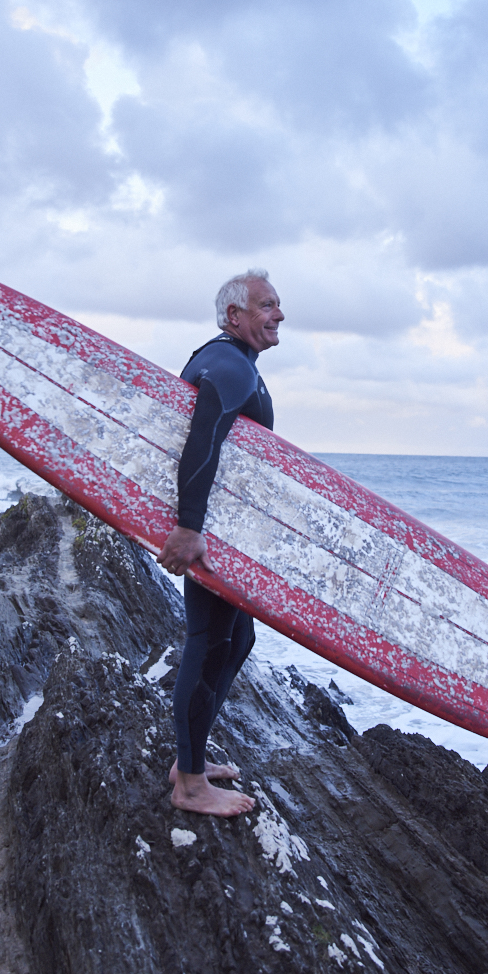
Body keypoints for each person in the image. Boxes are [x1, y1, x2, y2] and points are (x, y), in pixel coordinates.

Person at [157, 269, 284, 817]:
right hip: (207, 533)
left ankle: (192, 755)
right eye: (267, 305)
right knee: (210, 641)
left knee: (236, 642)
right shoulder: (230, 365)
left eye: (278, 305)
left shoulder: (225, 359)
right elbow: (202, 438)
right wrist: (189, 526)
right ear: (235, 315)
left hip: (224, 534)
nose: (279, 314)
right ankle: (188, 784)